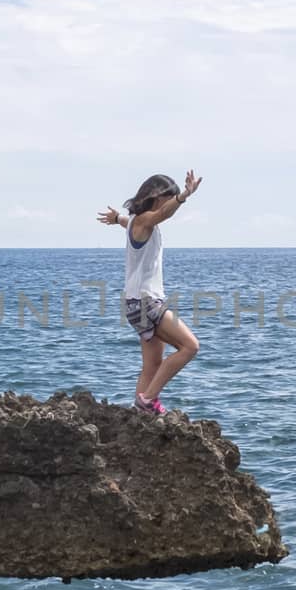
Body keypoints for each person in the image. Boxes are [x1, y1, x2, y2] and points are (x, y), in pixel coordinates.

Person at [97, 170, 202, 414]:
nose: (169, 205)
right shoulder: (145, 220)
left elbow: (128, 222)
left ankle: (140, 416)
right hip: (146, 302)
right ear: (156, 196)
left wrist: (116, 219)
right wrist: (185, 195)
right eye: (169, 198)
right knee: (190, 347)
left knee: (152, 365)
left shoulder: (136, 222)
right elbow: (162, 214)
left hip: (135, 304)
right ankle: (148, 399)